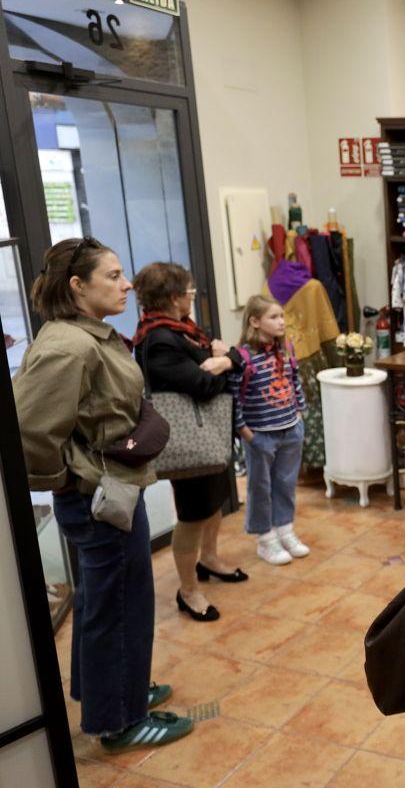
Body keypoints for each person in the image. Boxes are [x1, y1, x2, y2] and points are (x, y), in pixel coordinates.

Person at [14, 237, 192, 751]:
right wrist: (73, 481)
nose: (127, 283)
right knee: (119, 604)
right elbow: (28, 435)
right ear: (77, 285)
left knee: (107, 597)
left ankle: (112, 688)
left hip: (111, 491)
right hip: (99, 498)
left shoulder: (86, 336)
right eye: (113, 275)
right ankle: (119, 720)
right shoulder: (67, 346)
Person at [133, 262, 247, 623]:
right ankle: (188, 591)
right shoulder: (157, 341)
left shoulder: (182, 330)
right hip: (189, 442)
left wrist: (222, 361)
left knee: (214, 504)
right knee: (192, 516)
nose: (192, 298)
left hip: (208, 435)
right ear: (173, 297)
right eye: (189, 292)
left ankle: (209, 560)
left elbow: (217, 366)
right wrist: (226, 360)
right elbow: (202, 384)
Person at [228, 295, 310, 566]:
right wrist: (244, 430)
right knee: (260, 486)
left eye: (282, 316)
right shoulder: (243, 356)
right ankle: (265, 537)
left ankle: (285, 529)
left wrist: (299, 412)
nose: (281, 322)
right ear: (254, 321)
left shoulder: (285, 348)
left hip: (289, 428)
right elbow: (235, 396)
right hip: (260, 434)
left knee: (286, 483)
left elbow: (294, 379)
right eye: (273, 317)